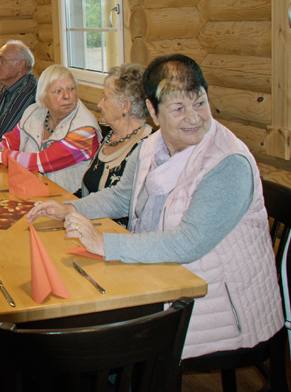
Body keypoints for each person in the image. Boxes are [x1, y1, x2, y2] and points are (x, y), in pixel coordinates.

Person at [26, 54, 283, 360]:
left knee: (85, 339)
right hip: (159, 280)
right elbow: (122, 196)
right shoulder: (152, 144)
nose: (194, 117)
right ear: (153, 110)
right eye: (178, 108)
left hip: (219, 309)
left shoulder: (228, 162)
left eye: (199, 103)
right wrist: (70, 207)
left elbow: (188, 242)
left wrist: (104, 243)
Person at [0, 64, 100, 194]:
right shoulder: (34, 112)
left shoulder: (85, 129)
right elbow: (10, 142)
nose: (67, 96)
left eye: (71, 88)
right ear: (43, 96)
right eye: (58, 91)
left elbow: (42, 161)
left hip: (67, 200)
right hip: (31, 189)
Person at [78, 63, 152, 226]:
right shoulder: (111, 136)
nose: (99, 104)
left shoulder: (147, 148)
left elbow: (124, 204)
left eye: (105, 98)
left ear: (125, 106)